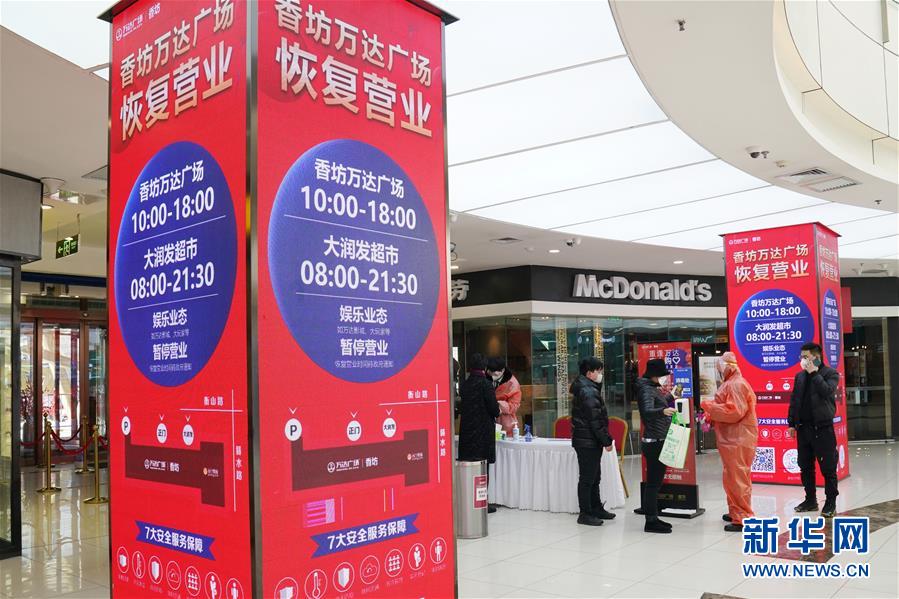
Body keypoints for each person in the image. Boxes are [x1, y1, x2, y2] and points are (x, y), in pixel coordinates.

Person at [700, 352, 758, 532]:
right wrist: (711, 415)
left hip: (737, 438)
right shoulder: (731, 383)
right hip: (732, 438)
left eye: (720, 367)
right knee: (732, 477)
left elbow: (734, 412)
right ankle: (736, 511)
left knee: (737, 477)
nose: (719, 371)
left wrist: (709, 406)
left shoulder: (735, 384)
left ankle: (742, 517)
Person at [788, 342, 840, 517]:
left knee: (828, 468)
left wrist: (814, 373)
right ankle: (810, 500)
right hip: (803, 429)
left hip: (822, 429)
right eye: (801, 357)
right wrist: (791, 423)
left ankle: (831, 503)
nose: (802, 360)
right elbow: (795, 400)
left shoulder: (830, 373)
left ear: (816, 357)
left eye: (806, 357)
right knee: (805, 466)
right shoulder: (800, 376)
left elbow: (827, 391)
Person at [570, 357, 616, 526]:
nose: (601, 374)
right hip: (587, 441)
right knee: (587, 479)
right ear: (589, 373)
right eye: (598, 371)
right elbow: (595, 420)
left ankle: (596, 508)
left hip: (589, 440)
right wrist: (606, 440)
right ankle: (585, 513)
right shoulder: (588, 391)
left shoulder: (588, 387)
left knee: (595, 477)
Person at [636, 358, 679, 534]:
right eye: (662, 375)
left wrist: (670, 397)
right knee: (653, 484)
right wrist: (663, 411)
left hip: (658, 439)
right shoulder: (646, 389)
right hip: (654, 441)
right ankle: (651, 521)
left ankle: (653, 517)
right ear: (654, 375)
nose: (664, 378)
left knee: (655, 482)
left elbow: (656, 403)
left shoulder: (651, 388)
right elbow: (646, 412)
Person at [458, 353, 501, 513]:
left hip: (467, 434)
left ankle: (467, 500)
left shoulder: (465, 385)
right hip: (483, 435)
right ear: (484, 367)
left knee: (468, 468)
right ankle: (482, 502)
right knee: (482, 470)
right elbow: (494, 410)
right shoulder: (486, 384)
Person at [487, 357, 522, 438]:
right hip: (489, 422)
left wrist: (497, 403)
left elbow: (514, 406)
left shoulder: (512, 384)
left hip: (506, 423)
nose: (492, 376)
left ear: (502, 370)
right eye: (490, 373)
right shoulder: (487, 377)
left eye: (495, 374)